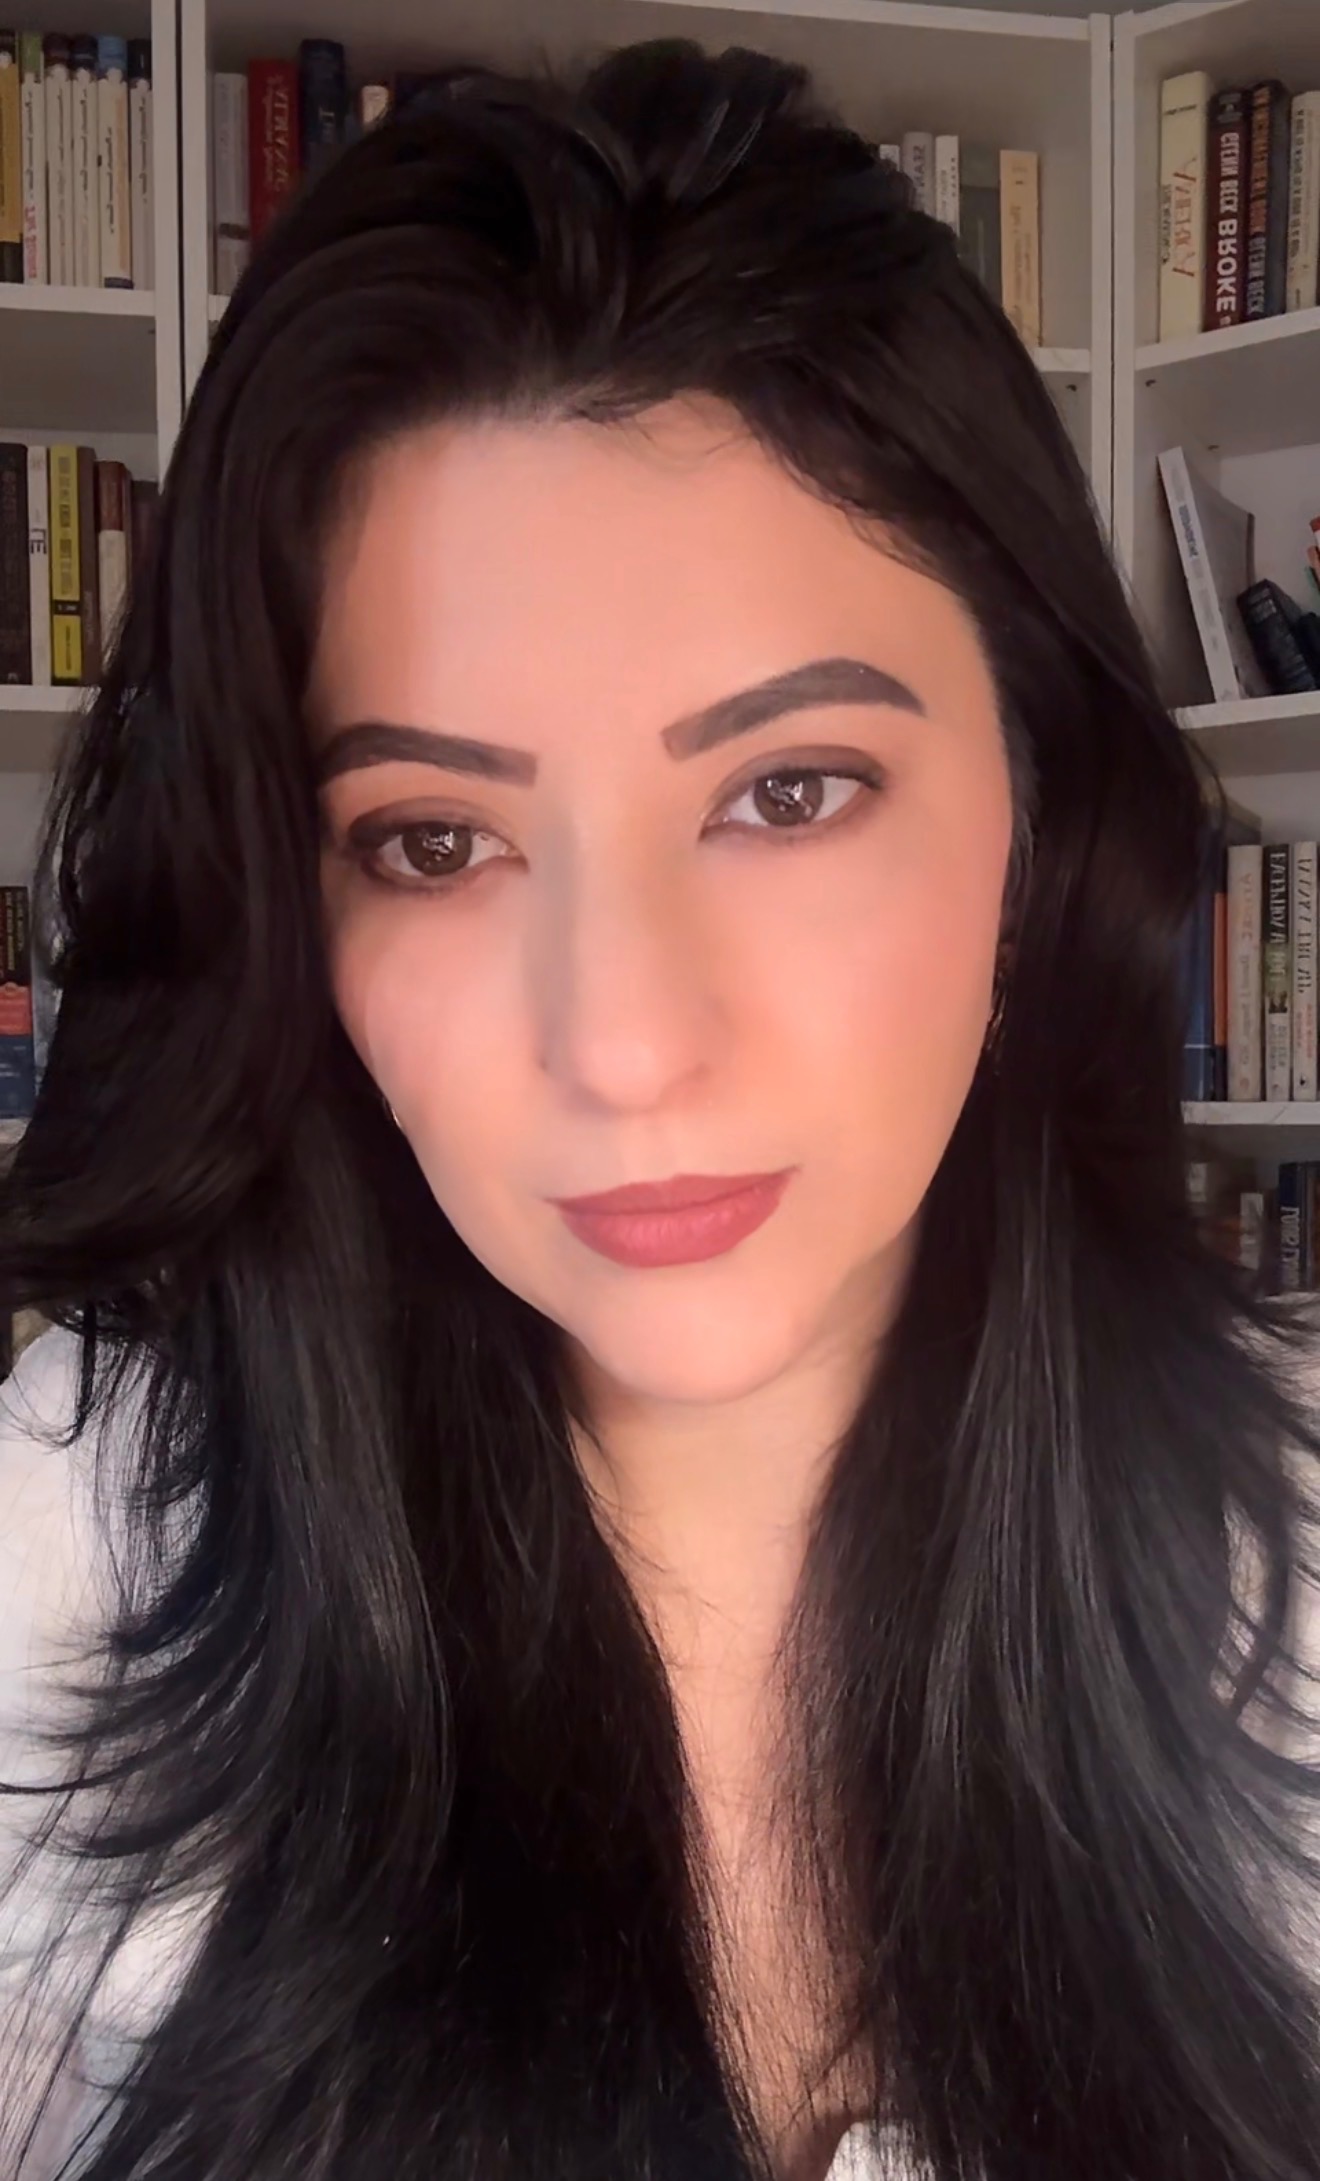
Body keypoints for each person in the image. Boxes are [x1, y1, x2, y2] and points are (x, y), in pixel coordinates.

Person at [2, 36, 1319, 2181]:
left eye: (788, 792)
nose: (621, 1042)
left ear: (1035, 822)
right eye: (434, 840)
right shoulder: (79, 1537)